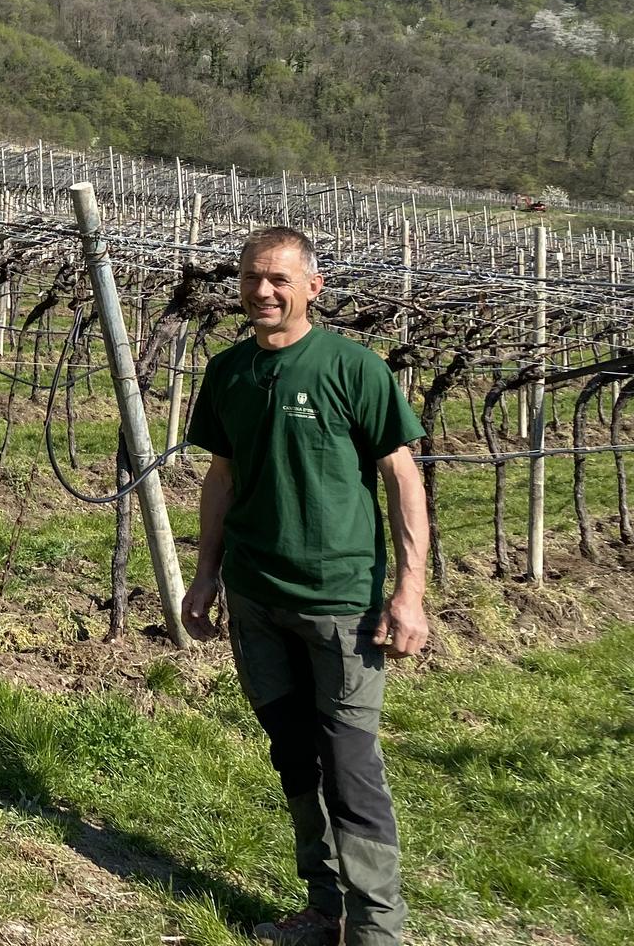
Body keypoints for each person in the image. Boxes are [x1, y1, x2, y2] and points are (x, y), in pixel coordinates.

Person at [182, 225, 429, 946]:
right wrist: (204, 576)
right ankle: (324, 910)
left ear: (313, 288)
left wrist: (408, 592)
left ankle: (378, 931)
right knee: (292, 753)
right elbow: (220, 479)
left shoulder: (354, 369)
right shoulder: (228, 372)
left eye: (280, 279)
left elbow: (403, 480)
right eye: (252, 278)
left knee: (350, 769)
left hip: (340, 602)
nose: (263, 291)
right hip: (256, 597)